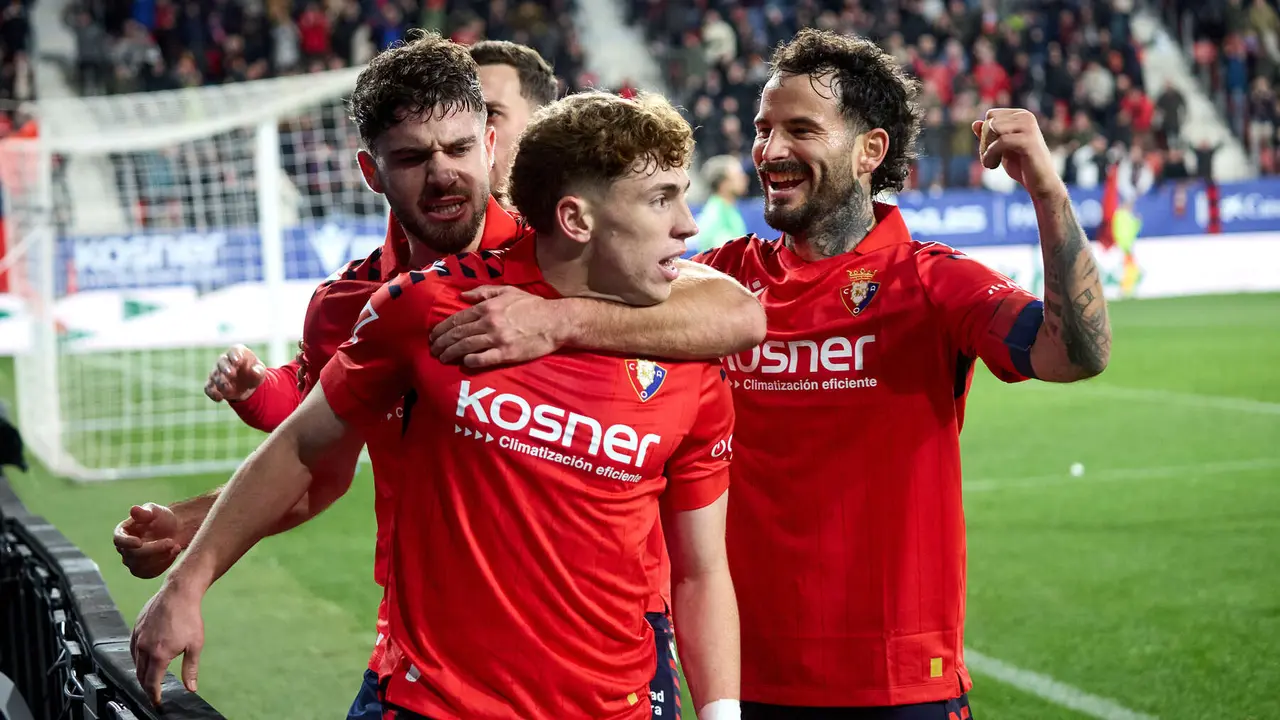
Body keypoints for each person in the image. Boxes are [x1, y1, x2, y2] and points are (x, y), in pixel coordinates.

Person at [117, 33, 762, 719]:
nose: (443, 174)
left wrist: (559, 319)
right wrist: (194, 549)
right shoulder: (375, 305)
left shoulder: (599, 262)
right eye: (413, 157)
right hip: (433, 665)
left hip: (613, 658)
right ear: (373, 170)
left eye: (458, 149)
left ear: (490, 144)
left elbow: (738, 312)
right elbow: (313, 461)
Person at [689, 29, 1111, 718]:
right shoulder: (721, 279)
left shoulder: (932, 282)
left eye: (799, 129)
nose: (769, 151)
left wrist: (1045, 188)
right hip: (745, 682)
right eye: (763, 129)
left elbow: (1079, 352)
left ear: (870, 151)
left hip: (899, 686)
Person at [690, 154, 749, 253]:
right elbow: (726, 256)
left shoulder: (728, 208)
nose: (745, 178)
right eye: (738, 175)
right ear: (723, 184)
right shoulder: (715, 215)